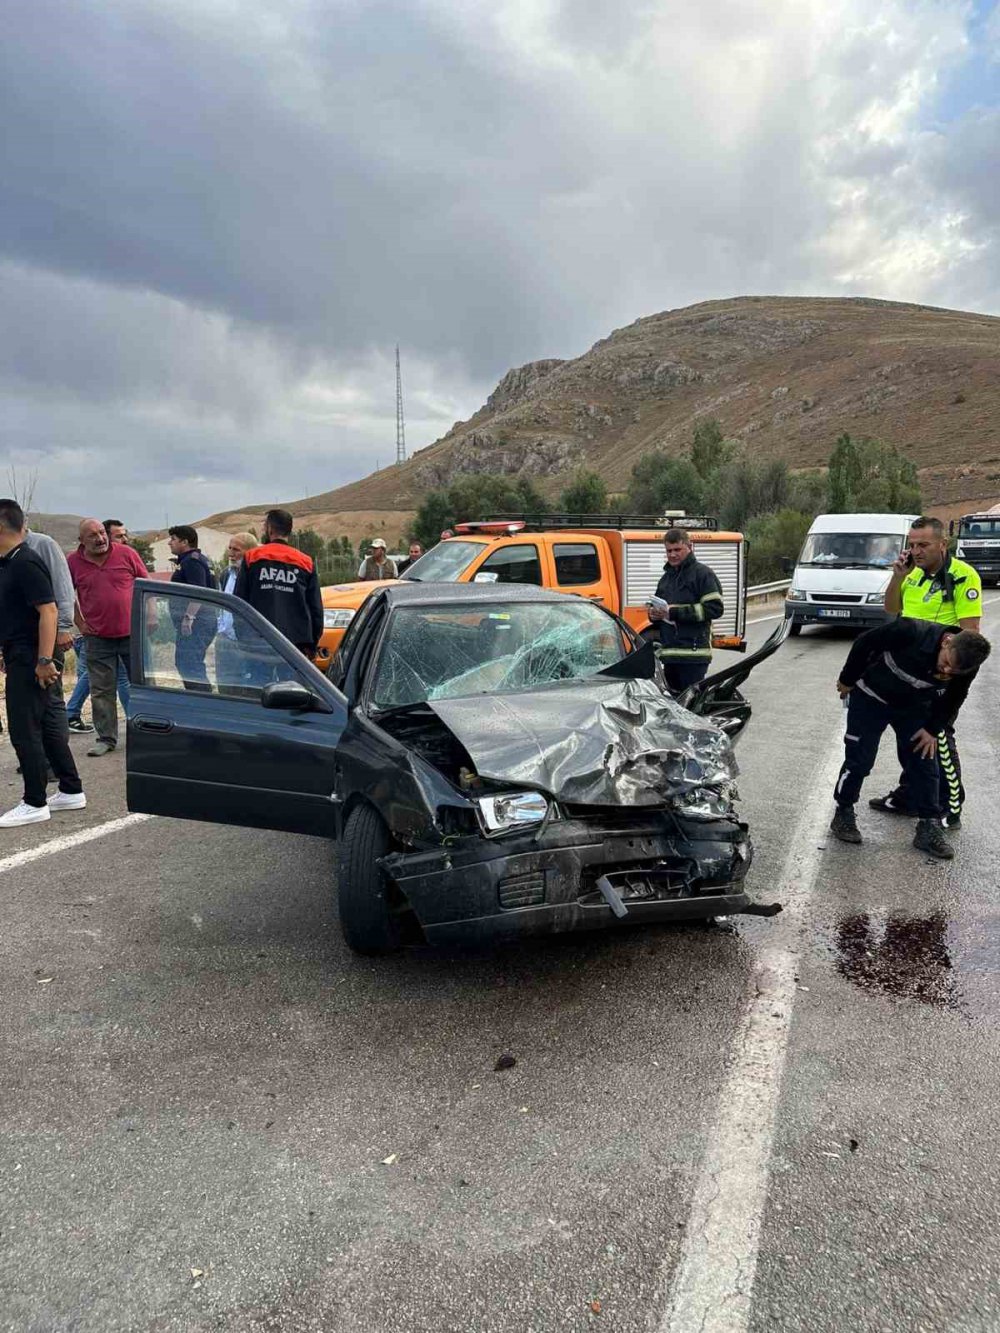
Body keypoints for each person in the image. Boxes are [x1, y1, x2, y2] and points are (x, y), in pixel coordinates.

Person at [830, 619, 991, 860]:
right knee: (860, 760)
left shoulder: (966, 664)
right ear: (947, 642)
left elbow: (955, 697)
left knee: (926, 762)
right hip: (871, 697)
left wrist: (933, 729)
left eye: (953, 671)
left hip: (914, 706)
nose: (946, 672)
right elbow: (864, 643)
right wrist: (847, 679)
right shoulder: (909, 631)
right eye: (946, 663)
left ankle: (928, 825)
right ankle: (843, 811)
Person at [872, 515, 983, 827]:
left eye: (924, 545)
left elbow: (970, 636)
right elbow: (892, 610)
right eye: (912, 545)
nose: (917, 551)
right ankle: (910, 795)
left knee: (939, 735)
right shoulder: (912, 574)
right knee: (912, 737)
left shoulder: (963, 576)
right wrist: (897, 577)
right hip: (911, 675)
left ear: (942, 544)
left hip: (941, 675)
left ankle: (950, 805)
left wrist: (950, 678)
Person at [0, 499, 85, 827]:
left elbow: (48, 610)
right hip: (20, 653)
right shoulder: (9, 563)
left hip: (30, 657)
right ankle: (70, 789)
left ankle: (34, 801)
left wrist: (44, 660)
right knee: (48, 725)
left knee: (25, 729)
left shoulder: (25, 561)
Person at [67, 518, 148, 757]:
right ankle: (106, 738)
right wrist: (79, 622)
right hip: (97, 637)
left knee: (141, 687)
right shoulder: (72, 562)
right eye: (92, 535)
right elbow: (64, 593)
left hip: (132, 633)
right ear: (81, 541)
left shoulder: (126, 554)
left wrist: (149, 617)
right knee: (101, 690)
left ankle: (144, 735)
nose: (100, 538)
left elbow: (145, 585)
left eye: (102, 533)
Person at [234, 509, 323, 659]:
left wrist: (242, 637)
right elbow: (316, 609)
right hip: (295, 646)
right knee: (291, 684)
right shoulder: (305, 562)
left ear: (270, 528)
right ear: (289, 530)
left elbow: (239, 601)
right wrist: (312, 644)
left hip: (258, 642)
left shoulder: (252, 558)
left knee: (261, 682)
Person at [646, 527, 725, 693]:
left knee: (690, 709)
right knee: (674, 708)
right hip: (669, 656)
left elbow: (715, 608)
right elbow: (657, 608)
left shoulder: (703, 574)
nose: (673, 555)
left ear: (690, 547)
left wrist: (674, 612)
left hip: (694, 656)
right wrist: (653, 614)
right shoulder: (666, 578)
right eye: (669, 551)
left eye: (677, 550)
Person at [167, 525, 218, 691]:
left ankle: (203, 702)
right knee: (188, 663)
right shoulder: (195, 559)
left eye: (173, 539)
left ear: (185, 542)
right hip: (201, 622)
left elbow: (199, 592)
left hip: (196, 624)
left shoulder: (191, 561)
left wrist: (188, 618)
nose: (169, 543)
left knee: (189, 664)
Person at [215, 532, 257, 686]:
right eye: (230, 548)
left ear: (250, 552)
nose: (231, 554)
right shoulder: (226, 574)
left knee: (249, 688)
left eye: (236, 550)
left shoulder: (256, 575)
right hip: (226, 640)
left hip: (248, 642)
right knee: (225, 687)